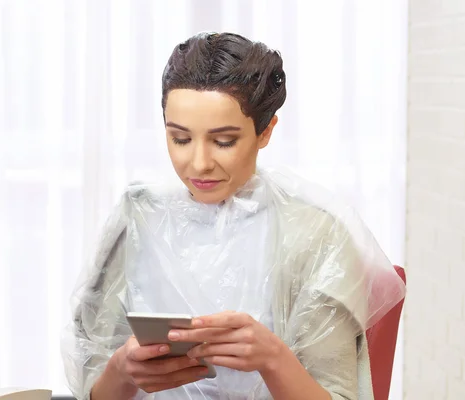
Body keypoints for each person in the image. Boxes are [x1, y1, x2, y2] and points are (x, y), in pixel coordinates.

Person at [61, 32, 406, 400]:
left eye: (223, 141)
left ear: (266, 131)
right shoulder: (139, 217)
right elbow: (93, 390)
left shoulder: (312, 234)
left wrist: (272, 357)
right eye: (180, 138)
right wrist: (121, 370)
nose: (199, 163)